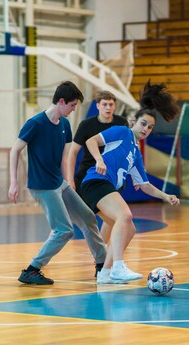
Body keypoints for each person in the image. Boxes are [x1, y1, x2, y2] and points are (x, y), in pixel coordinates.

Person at [81, 81, 181, 284]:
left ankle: (105, 273)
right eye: (143, 124)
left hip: (102, 186)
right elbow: (91, 141)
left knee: (130, 228)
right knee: (125, 215)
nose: (146, 129)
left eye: (150, 127)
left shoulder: (136, 153)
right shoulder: (122, 132)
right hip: (96, 181)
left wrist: (165, 196)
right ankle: (118, 267)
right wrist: (99, 160)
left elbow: (144, 185)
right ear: (133, 121)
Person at [8, 81, 107, 285]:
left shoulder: (64, 124)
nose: (73, 110)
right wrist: (13, 183)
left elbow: (63, 158)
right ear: (61, 102)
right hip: (42, 186)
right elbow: (15, 150)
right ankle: (32, 269)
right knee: (64, 230)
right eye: (71, 105)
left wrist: (68, 183)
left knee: (88, 217)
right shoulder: (35, 124)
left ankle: (102, 265)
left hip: (58, 183)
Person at [66, 90, 127, 266]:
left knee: (113, 218)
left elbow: (128, 150)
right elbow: (73, 153)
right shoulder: (86, 125)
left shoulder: (121, 124)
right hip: (87, 179)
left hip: (111, 178)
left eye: (111, 104)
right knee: (68, 222)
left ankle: (102, 257)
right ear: (98, 106)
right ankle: (102, 256)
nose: (108, 107)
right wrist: (70, 180)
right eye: (105, 104)